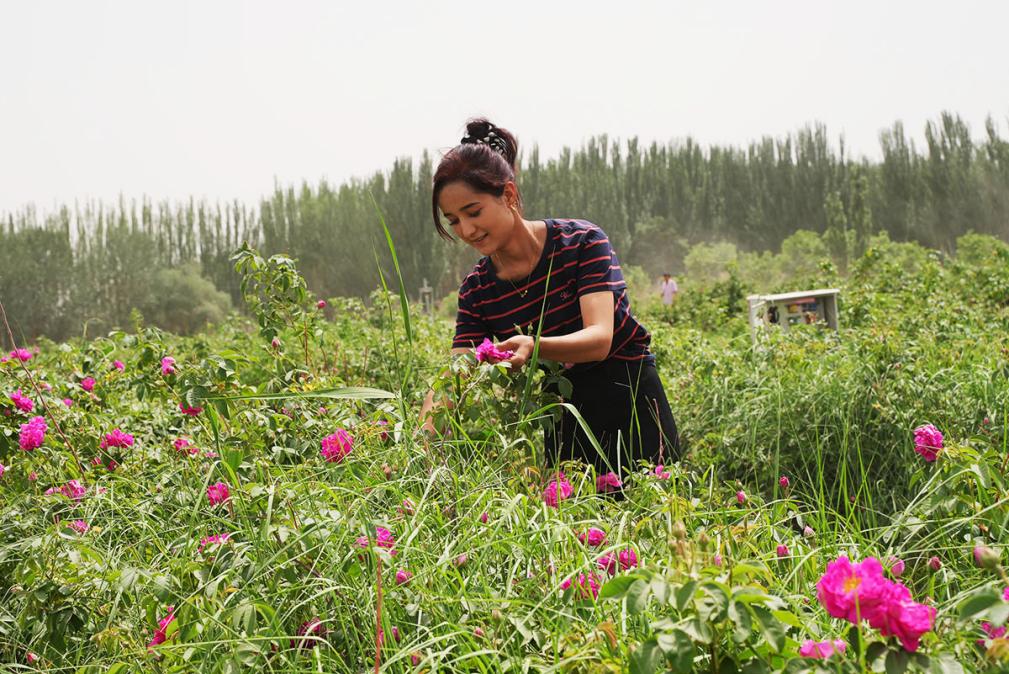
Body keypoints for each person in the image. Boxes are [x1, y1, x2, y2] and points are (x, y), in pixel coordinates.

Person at [419, 118, 679, 476]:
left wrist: (534, 345)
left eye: (474, 212)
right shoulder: (478, 290)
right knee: (575, 524)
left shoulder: (582, 243)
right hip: (562, 406)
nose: (467, 230)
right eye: (453, 221)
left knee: (654, 513)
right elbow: (454, 374)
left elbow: (600, 339)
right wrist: (421, 452)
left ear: (508, 195)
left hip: (630, 396)